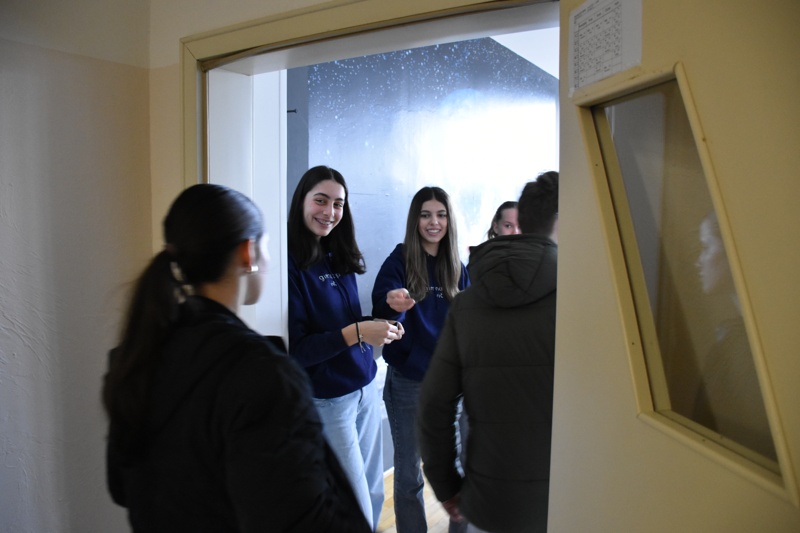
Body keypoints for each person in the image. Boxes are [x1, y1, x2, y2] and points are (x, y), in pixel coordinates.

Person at [102, 183, 371, 532]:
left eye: (338, 204)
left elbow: (122, 485)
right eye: (266, 247)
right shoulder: (263, 374)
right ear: (248, 254)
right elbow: (305, 518)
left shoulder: (135, 356)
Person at [418, 171, 559, 533]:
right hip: (567, 497)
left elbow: (434, 404)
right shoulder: (587, 300)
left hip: (489, 500)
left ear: (524, 220)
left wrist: (446, 485)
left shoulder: (467, 304)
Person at [287, 165, 403, 531]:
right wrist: (358, 332)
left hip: (365, 386)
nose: (330, 212)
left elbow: (350, 325)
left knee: (373, 493)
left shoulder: (338, 254)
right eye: (320, 201)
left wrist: (388, 313)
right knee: (353, 503)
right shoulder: (289, 265)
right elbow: (298, 351)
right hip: (329, 400)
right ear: (302, 201)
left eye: (338, 204)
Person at [371, 186, 470, 533]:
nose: (433, 222)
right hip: (409, 383)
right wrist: (393, 303)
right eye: (426, 215)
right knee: (408, 474)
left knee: (458, 469)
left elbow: (469, 323)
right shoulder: (400, 260)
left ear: (449, 220)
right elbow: (382, 305)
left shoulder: (457, 267)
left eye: (441, 215)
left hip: (451, 385)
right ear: (415, 220)